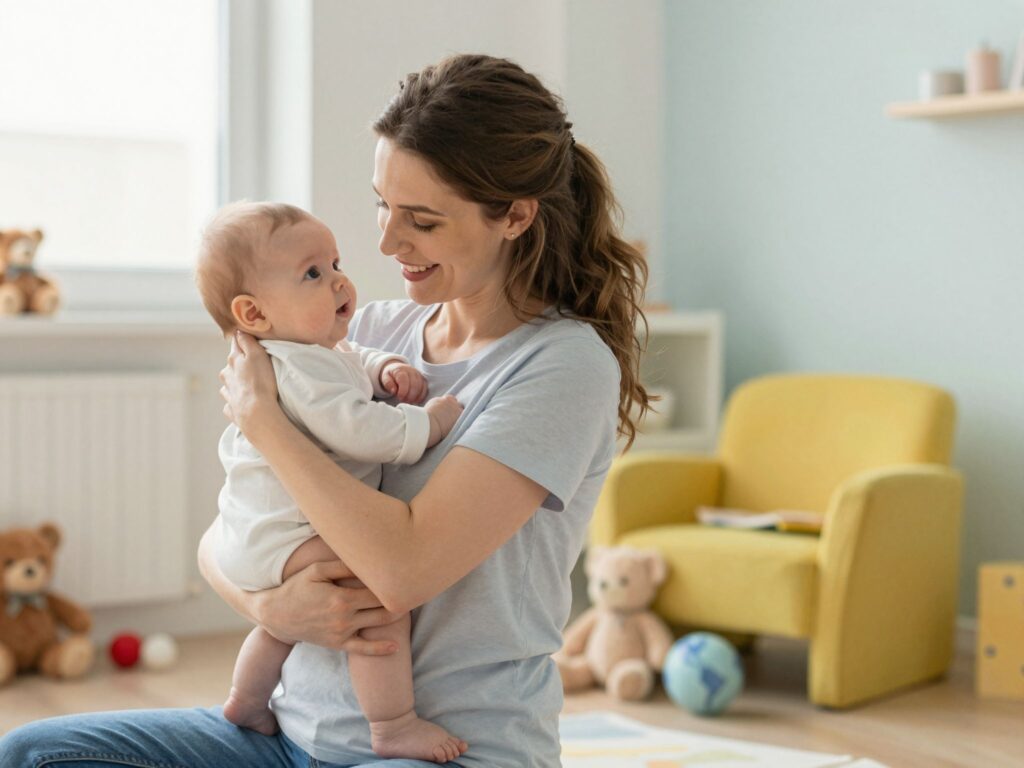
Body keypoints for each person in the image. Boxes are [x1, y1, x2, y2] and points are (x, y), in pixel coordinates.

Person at [0, 53, 650, 768]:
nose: (385, 242)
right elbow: (222, 542)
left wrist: (266, 425)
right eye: (382, 204)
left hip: (446, 753)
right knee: (35, 755)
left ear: (516, 216)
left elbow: (402, 569)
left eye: (421, 221)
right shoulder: (361, 334)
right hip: (284, 737)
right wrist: (269, 609)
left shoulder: (561, 365)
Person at [194, 201, 467, 764]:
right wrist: (428, 422)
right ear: (254, 312)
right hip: (288, 533)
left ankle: (246, 698)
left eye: (335, 262)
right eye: (312, 273)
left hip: (259, 538)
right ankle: (391, 723)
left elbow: (349, 359)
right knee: (376, 600)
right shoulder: (300, 367)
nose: (339, 279)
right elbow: (358, 428)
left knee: (289, 623)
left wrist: (384, 367)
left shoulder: (301, 353)